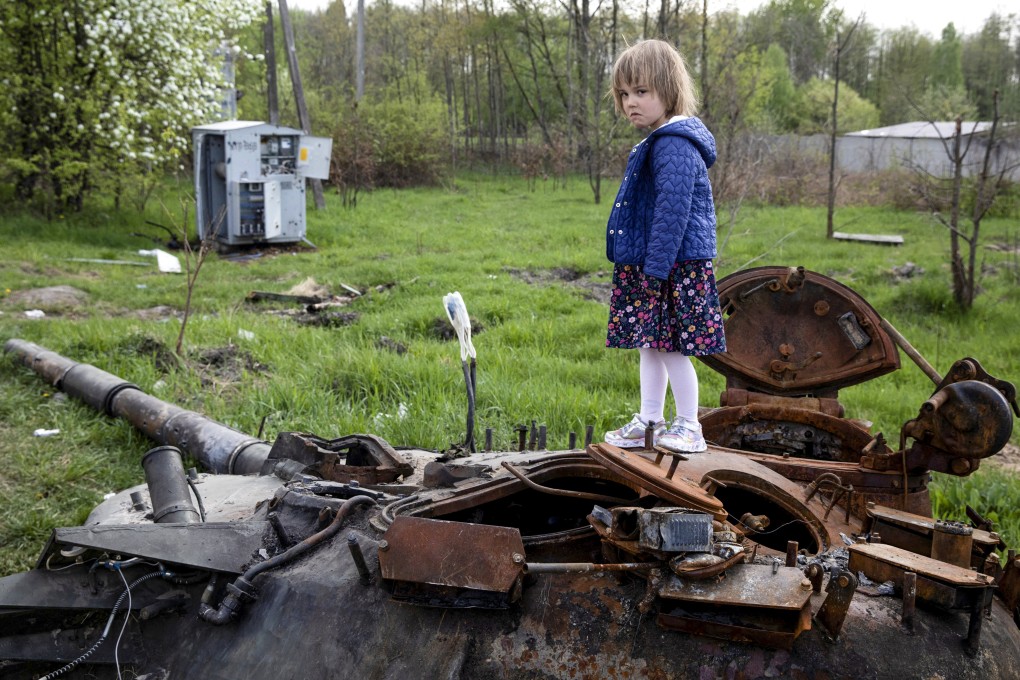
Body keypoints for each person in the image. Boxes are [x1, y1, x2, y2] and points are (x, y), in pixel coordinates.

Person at [603, 39, 726, 453]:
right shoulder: (660, 140)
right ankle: (650, 420)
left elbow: (672, 214)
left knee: (671, 347)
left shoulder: (674, 144)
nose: (630, 102)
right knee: (650, 343)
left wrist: (655, 272)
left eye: (641, 92)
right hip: (654, 263)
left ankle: (690, 426)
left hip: (671, 265)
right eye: (624, 94)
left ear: (668, 91)